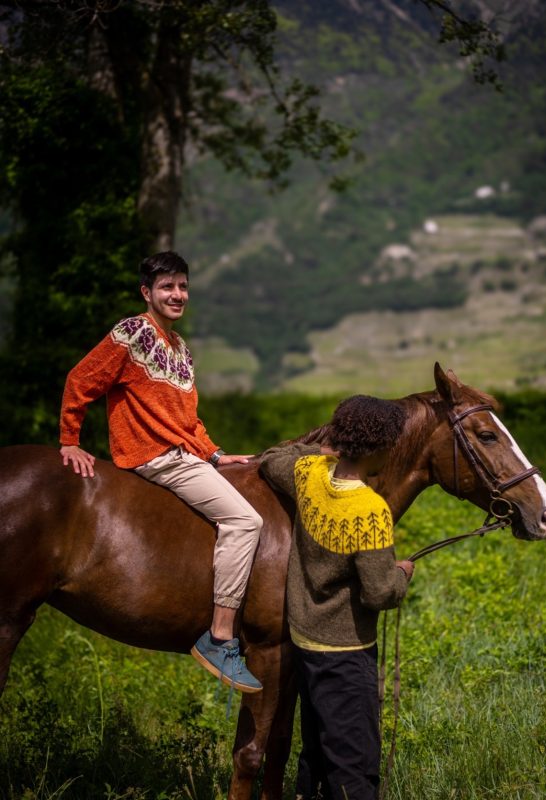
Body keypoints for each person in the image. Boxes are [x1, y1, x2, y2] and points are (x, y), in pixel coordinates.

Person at [59, 250, 263, 693]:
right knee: (245, 520)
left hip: (183, 455)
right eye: (167, 287)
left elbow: (188, 420)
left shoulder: (181, 350)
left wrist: (214, 455)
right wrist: (70, 440)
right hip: (154, 456)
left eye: (183, 286)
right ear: (146, 292)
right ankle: (221, 637)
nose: (177, 294)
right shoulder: (132, 333)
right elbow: (81, 379)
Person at [259, 395, 415, 800]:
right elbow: (380, 593)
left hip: (305, 643)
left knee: (316, 753)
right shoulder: (369, 509)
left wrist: (323, 449)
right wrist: (402, 575)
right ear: (382, 447)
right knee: (353, 765)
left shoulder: (309, 473)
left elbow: (272, 456)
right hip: (346, 653)